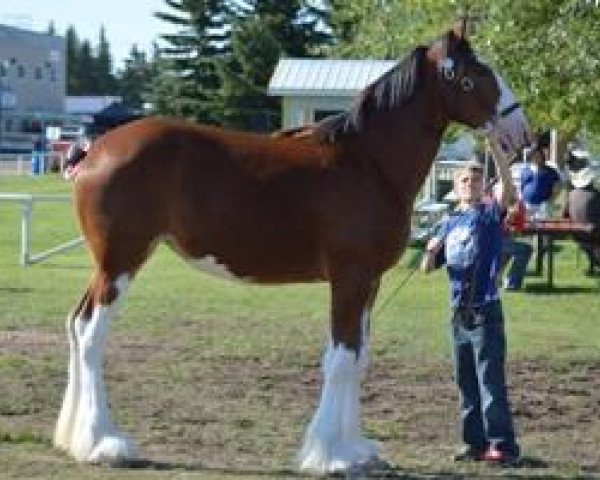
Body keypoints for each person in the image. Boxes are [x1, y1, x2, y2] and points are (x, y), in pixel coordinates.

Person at [421, 152, 520, 464]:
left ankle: (502, 445)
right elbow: (426, 268)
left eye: (476, 180)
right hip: (457, 312)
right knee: (465, 380)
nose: (470, 184)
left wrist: (498, 152)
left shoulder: (490, 215)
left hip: (485, 310)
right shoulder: (448, 223)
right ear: (456, 185)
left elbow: (509, 188)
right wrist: (430, 251)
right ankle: (473, 443)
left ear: (482, 187)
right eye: (465, 180)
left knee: (490, 379)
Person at [562, 148, 600, 274]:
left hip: (578, 235)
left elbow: (564, 216)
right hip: (593, 234)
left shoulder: (571, 195)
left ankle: (594, 263)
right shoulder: (596, 195)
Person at [520, 130, 561, 218]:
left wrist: (548, 203)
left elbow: (557, 189)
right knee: (528, 229)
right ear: (531, 157)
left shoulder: (551, 171)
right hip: (527, 206)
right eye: (534, 156)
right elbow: (522, 188)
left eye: (539, 156)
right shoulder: (525, 171)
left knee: (542, 229)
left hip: (543, 207)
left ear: (542, 157)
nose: (537, 158)